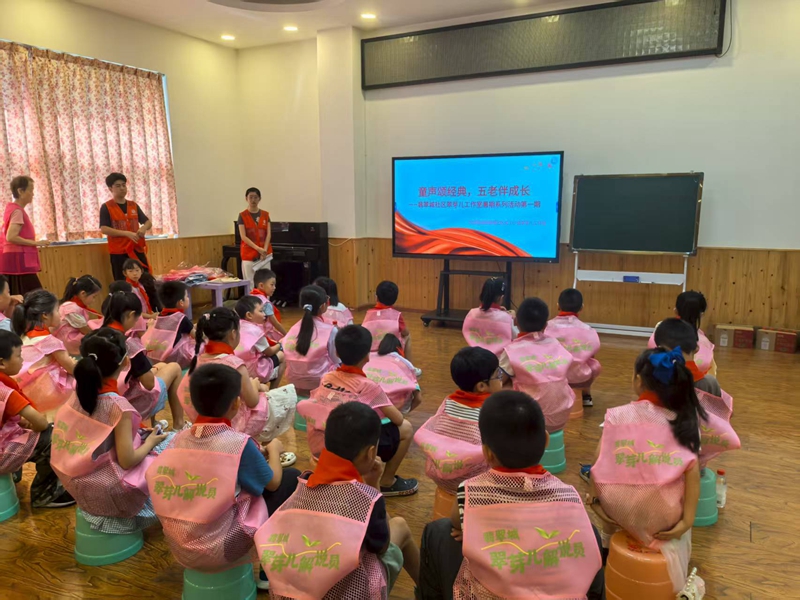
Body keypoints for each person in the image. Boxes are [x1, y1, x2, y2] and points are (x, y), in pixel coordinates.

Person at [418, 391, 603, 599]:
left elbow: (454, 522)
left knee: (438, 530)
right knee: (592, 533)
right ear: (546, 441)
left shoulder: (471, 490)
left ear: (487, 453)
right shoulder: (568, 494)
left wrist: (468, 527)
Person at [146, 364, 298, 579]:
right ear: (236, 403)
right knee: (291, 478)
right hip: (222, 546)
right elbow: (272, 483)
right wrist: (274, 450)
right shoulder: (239, 443)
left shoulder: (179, 438)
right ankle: (268, 573)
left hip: (180, 542)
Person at [256, 402, 419, 598]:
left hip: (292, 589)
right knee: (400, 525)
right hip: (350, 593)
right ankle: (432, 591)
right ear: (371, 453)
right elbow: (381, 547)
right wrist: (373, 485)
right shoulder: (367, 499)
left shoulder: (303, 482)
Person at [589, 347, 705, 593]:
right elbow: (693, 473)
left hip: (615, 509)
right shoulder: (684, 421)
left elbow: (597, 460)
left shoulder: (616, 416)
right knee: (679, 492)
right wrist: (687, 521)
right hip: (663, 517)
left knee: (614, 487)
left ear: (638, 380)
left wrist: (596, 499)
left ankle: (610, 548)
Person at [50, 328, 172, 533]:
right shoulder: (118, 407)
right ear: (125, 363)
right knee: (172, 445)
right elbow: (127, 461)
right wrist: (151, 441)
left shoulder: (79, 393)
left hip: (73, 481)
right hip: (110, 490)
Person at [298, 325, 418, 497]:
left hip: (320, 448)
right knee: (406, 427)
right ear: (368, 356)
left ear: (337, 352)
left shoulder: (326, 377)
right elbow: (398, 419)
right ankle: (387, 481)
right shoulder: (370, 387)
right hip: (350, 453)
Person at [180, 307, 296, 442]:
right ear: (233, 334)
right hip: (233, 423)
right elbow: (252, 401)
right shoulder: (234, 363)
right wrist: (255, 385)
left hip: (204, 420)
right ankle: (262, 445)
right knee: (282, 397)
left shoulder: (198, 360)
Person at [0, 330, 74, 508]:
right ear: (2, 363)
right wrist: (34, 425)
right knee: (54, 436)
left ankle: (15, 473)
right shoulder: (6, 391)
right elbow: (40, 423)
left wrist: (22, 421)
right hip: (2, 453)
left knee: (23, 430)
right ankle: (45, 495)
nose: (23, 360)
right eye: (19, 356)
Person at [414, 347, 502, 497]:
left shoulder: (448, 402)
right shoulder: (494, 410)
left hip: (441, 478)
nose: (501, 378)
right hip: (474, 483)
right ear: (481, 386)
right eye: (498, 375)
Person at [653, 318, 740, 466]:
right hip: (696, 456)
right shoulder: (709, 383)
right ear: (697, 348)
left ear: (659, 349)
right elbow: (720, 418)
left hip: (661, 456)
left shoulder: (654, 380)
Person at [103, 292, 187, 430]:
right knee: (175, 367)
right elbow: (149, 384)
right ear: (131, 315)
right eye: (138, 318)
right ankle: (179, 424)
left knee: (160, 366)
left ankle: (153, 424)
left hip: (103, 397)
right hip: (126, 403)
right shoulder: (129, 344)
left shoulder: (97, 336)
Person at [499, 297, 574, 433]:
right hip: (562, 416)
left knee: (500, 384)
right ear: (545, 325)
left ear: (516, 322)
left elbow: (498, 381)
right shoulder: (555, 343)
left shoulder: (511, 350)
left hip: (531, 421)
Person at [12, 290, 76, 413]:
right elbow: (71, 368)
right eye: (57, 310)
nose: (60, 315)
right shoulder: (50, 341)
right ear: (45, 315)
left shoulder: (23, 337)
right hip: (48, 394)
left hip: (25, 393)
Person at [545, 288, 602, 407]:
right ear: (581, 307)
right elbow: (593, 350)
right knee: (593, 362)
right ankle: (586, 395)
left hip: (553, 377)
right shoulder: (588, 330)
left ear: (558, 306)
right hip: (580, 378)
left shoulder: (546, 327)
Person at [283, 285, 339, 397]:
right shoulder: (331, 330)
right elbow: (336, 359)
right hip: (321, 381)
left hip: (293, 380)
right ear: (323, 306)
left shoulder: (293, 328)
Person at [649, 290, 716, 377]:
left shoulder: (661, 329)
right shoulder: (704, 344)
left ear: (675, 310)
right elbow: (710, 373)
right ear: (701, 314)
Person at [1, 176, 50, 295]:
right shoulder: (17, 211)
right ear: (20, 191)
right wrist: (36, 243)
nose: (33, 194)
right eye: (31, 190)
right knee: (34, 298)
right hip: (18, 263)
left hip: (16, 261)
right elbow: (11, 237)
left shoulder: (13, 209)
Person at [99, 173, 152, 281]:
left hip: (136, 249)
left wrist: (143, 228)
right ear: (110, 188)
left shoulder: (133, 205)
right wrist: (126, 233)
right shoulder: (106, 207)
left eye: (124, 185)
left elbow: (148, 222)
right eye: (118, 186)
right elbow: (104, 229)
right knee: (122, 281)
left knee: (145, 279)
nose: (122, 188)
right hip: (119, 252)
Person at [234, 295, 285, 387]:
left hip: (236, 368)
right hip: (252, 371)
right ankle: (273, 390)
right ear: (249, 315)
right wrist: (280, 344)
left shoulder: (237, 325)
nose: (264, 314)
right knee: (283, 355)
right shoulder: (256, 331)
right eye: (261, 311)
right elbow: (269, 352)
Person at [141, 281, 195, 369]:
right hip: (175, 358)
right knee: (202, 344)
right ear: (181, 302)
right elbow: (196, 335)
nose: (188, 298)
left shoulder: (159, 315)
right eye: (187, 296)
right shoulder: (181, 318)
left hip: (156, 357)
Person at [363, 281, 416, 367]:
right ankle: (411, 367)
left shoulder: (368, 314)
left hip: (370, 352)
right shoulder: (396, 315)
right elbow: (405, 332)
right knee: (408, 336)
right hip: (391, 351)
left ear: (376, 297)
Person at [365, 334, 422, 414]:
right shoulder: (405, 363)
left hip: (368, 404)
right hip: (396, 408)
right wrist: (403, 414)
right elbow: (418, 399)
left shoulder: (369, 357)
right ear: (399, 348)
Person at [461, 277, 517, 356]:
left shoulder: (471, 313)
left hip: (475, 357)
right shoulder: (507, 318)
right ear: (501, 298)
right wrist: (514, 318)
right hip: (498, 360)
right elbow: (518, 338)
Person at [52, 276, 104, 355]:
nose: (94, 300)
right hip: (69, 340)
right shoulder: (71, 308)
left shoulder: (75, 305)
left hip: (74, 333)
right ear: (83, 293)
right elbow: (85, 330)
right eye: (94, 297)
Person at [238, 187, 272, 283]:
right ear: (246, 198)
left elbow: (268, 234)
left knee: (266, 282)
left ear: (259, 199)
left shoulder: (265, 215)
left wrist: (264, 251)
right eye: (251, 197)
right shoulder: (242, 215)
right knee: (250, 283)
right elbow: (243, 236)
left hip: (264, 254)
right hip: (249, 254)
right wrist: (258, 249)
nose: (253, 200)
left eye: (256, 197)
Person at [250, 268, 285, 339]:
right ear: (261, 285)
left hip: (251, 333)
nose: (274, 288)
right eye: (272, 285)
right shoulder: (265, 303)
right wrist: (287, 334)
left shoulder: (250, 296)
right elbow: (275, 323)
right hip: (264, 335)